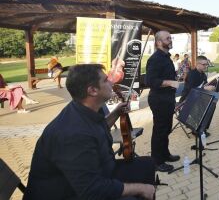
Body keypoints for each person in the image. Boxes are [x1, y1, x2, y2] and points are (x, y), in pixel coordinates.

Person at [24, 64, 156, 200]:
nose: (111, 82)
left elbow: (97, 129)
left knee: (147, 165)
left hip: (97, 173)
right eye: (105, 80)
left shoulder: (84, 108)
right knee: (135, 194)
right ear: (93, 90)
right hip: (67, 192)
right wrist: (141, 188)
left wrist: (116, 113)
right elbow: (91, 190)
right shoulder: (72, 134)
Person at [145, 31, 180, 172]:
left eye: (171, 37)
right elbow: (150, 81)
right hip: (159, 99)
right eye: (167, 38)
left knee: (166, 128)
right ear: (159, 42)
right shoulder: (155, 59)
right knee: (160, 130)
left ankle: (165, 154)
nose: (170, 40)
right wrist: (170, 82)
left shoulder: (166, 57)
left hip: (167, 99)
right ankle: (157, 161)